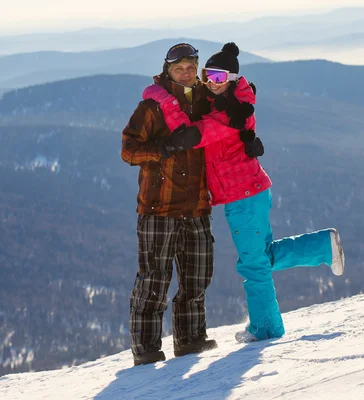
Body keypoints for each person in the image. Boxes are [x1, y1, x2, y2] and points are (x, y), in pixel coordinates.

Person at [142, 42, 346, 343]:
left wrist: (159, 95)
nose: (212, 81)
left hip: (244, 196)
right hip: (247, 192)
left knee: (253, 264)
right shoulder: (223, 103)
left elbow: (190, 134)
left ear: (233, 79)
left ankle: (266, 328)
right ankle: (323, 247)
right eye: (209, 74)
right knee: (259, 258)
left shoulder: (230, 114)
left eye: (221, 77)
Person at [121, 43, 221, 366]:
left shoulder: (205, 100)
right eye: (179, 69)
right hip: (158, 208)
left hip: (196, 205)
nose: (186, 73)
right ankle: (146, 350)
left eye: (191, 68)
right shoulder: (152, 107)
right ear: (168, 71)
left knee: (197, 275)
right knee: (154, 280)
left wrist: (242, 96)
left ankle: (190, 340)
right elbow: (128, 149)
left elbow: (228, 111)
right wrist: (166, 147)